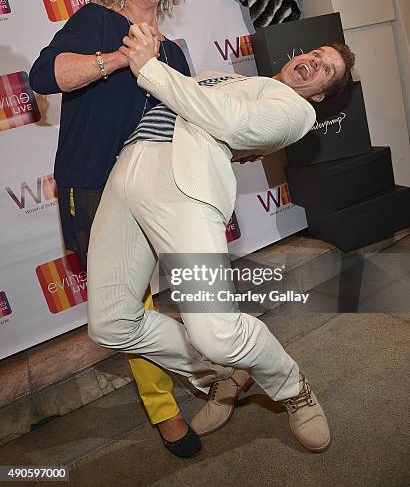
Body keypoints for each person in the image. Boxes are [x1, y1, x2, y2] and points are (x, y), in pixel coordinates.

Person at [86, 24, 355, 453]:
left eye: (325, 69)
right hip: (127, 174)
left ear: (321, 94)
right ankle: (222, 374)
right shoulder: (234, 78)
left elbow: (229, 121)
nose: (312, 62)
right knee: (111, 323)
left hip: (183, 187)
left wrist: (149, 67)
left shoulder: (297, 111)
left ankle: (291, 386)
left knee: (217, 331)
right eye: (315, 54)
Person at [29, 0, 231, 459]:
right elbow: (45, 76)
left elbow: (188, 122)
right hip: (96, 187)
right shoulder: (96, 22)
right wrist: (124, 57)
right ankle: (167, 409)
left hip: (162, 189)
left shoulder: (178, 55)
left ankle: (217, 367)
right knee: (131, 304)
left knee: (190, 287)